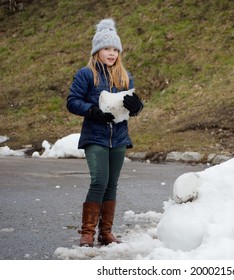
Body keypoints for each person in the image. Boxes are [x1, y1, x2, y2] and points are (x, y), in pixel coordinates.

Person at [66, 18, 143, 247]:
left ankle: (106, 232)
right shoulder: (86, 74)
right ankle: (87, 232)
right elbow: (72, 101)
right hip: (95, 136)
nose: (111, 53)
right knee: (99, 181)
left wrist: (136, 106)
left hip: (118, 137)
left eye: (115, 49)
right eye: (106, 49)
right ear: (97, 51)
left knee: (112, 184)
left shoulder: (125, 76)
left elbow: (134, 105)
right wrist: (92, 111)